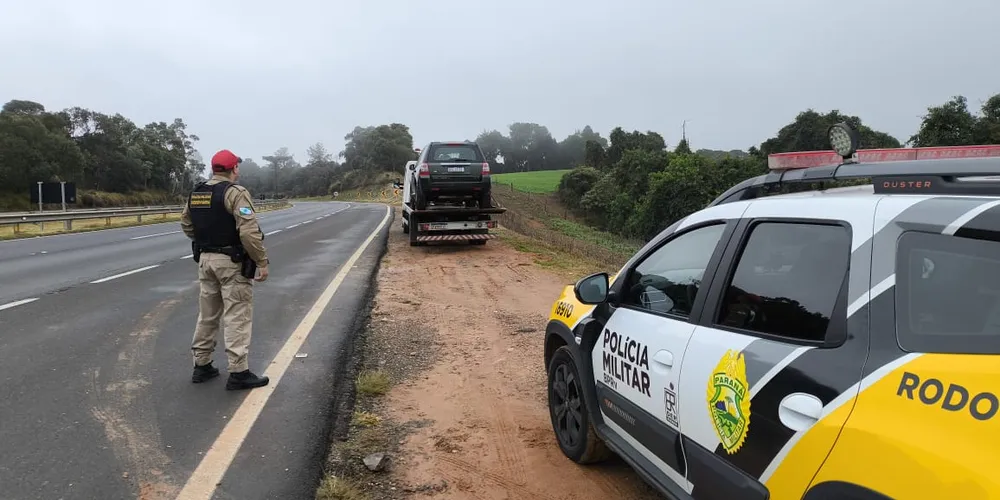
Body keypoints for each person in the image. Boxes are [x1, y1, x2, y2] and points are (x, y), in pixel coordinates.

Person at [180, 149, 271, 390]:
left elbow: (186, 225)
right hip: (231, 262)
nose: (238, 171)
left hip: (205, 260)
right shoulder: (235, 193)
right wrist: (261, 261)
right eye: (237, 168)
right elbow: (249, 233)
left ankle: (202, 365)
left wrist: (205, 240)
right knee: (237, 314)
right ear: (233, 170)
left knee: (208, 314)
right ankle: (239, 371)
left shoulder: (197, 193)